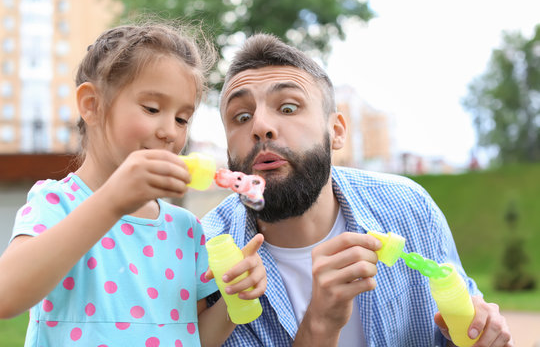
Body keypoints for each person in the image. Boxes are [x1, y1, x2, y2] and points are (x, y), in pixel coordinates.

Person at [202, 33, 513, 346]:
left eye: (288, 108)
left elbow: (465, 324)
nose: (260, 126)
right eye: (241, 116)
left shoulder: (409, 208)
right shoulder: (201, 256)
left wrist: (483, 335)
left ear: (336, 131)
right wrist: (320, 325)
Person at [0, 21, 267, 347]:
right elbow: (7, 296)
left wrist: (232, 300)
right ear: (91, 105)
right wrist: (113, 201)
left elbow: (193, 337)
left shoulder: (186, 229)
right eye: (152, 108)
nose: (170, 130)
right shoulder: (56, 203)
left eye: (182, 118)